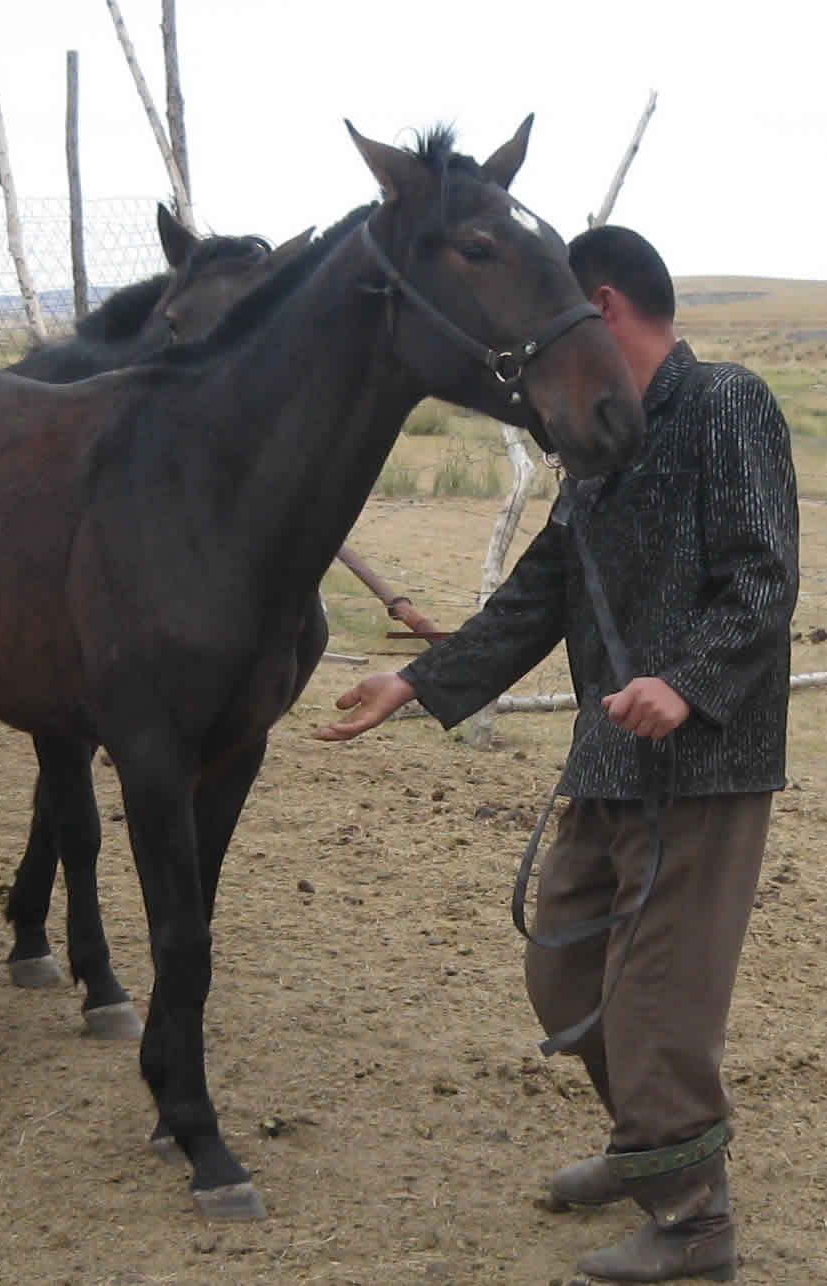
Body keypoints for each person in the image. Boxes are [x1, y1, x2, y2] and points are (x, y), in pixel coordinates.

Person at [317, 226, 799, 1283]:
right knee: (563, 972)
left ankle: (691, 1221)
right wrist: (414, 682)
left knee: (656, 997)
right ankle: (647, 1144)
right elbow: (540, 587)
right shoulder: (598, 441)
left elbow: (764, 576)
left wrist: (686, 682)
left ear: (605, 305)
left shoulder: (726, 403)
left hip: (704, 761)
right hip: (606, 756)